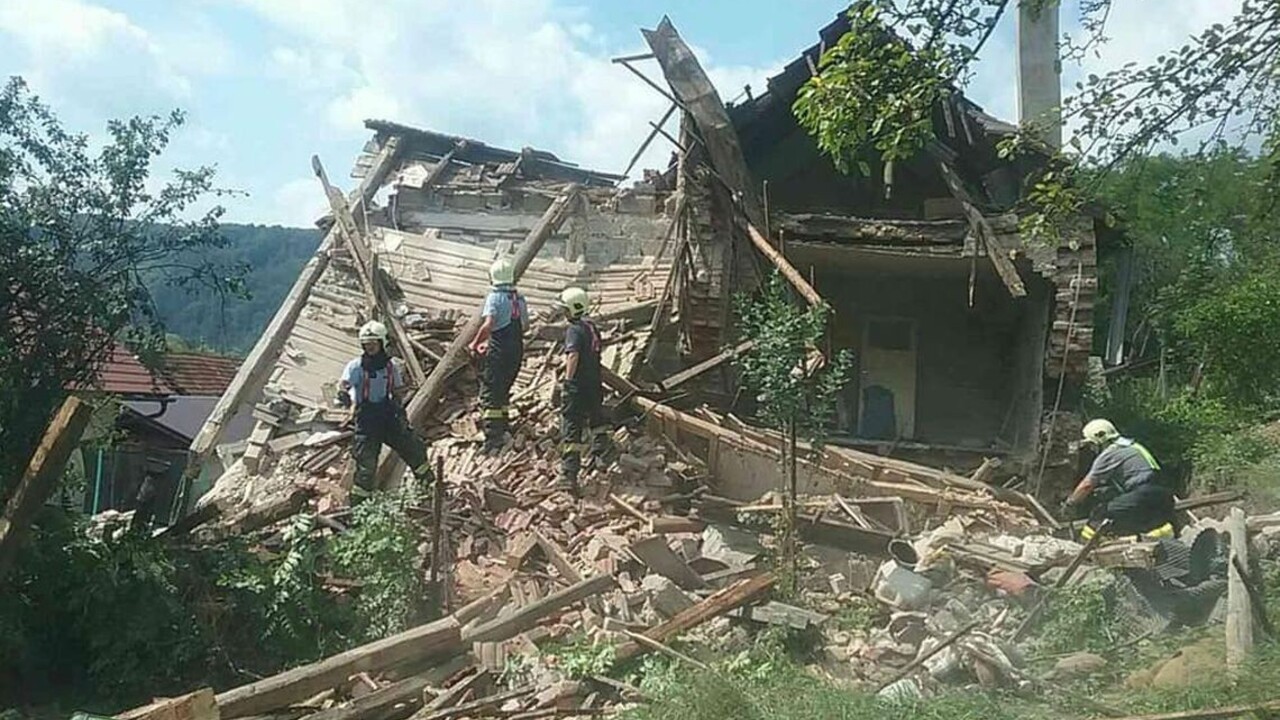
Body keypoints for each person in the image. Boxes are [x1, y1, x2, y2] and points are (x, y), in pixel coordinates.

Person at [336, 320, 434, 498]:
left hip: (388, 416)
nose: (370, 348)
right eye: (366, 344)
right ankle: (360, 508)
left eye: (373, 344)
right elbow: (343, 384)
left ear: (382, 343)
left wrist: (401, 415)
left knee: (414, 450)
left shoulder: (390, 367)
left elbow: (396, 390)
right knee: (366, 466)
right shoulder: (356, 366)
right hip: (366, 420)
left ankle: (429, 487)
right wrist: (342, 393)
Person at [1061, 419, 1175, 541]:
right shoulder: (1134, 446)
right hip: (1164, 496)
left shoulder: (1110, 453)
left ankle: (1084, 548)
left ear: (1099, 440)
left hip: (1143, 495)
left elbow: (1087, 485)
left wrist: (1070, 503)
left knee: (1100, 514)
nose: (1092, 449)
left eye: (1092, 445)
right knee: (1147, 526)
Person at [469, 257, 527, 452]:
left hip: (500, 351)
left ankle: (493, 438)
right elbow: (524, 326)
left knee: (491, 393)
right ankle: (503, 426)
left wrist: (476, 343)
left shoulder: (495, 298)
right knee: (503, 390)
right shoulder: (519, 299)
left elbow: (489, 324)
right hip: (516, 350)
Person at [556, 286, 604, 496]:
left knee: (572, 426)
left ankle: (569, 475)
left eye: (565, 308)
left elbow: (573, 355)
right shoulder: (592, 326)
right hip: (594, 383)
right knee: (597, 421)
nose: (564, 312)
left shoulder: (574, 329)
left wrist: (567, 381)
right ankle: (601, 459)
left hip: (579, 385)